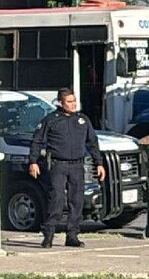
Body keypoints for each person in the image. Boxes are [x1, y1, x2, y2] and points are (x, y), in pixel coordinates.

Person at [28, 88, 105, 248]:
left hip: (77, 165)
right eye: (69, 102)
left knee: (76, 201)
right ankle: (49, 234)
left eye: (74, 101)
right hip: (58, 165)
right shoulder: (51, 120)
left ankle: (72, 235)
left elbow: (92, 142)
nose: (73, 104)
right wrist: (33, 161)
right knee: (56, 199)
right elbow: (37, 141)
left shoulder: (82, 120)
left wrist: (99, 163)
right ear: (60, 103)